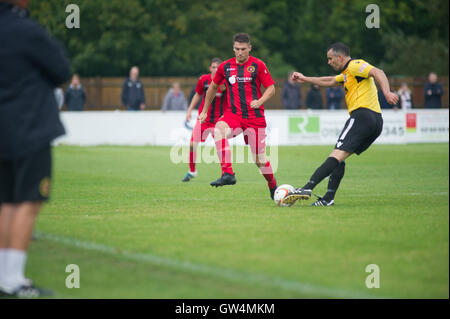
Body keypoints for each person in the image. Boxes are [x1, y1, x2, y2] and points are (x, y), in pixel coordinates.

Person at [0, 0, 71, 297]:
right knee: (27, 202)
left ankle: (4, 275)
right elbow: (62, 71)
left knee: (5, 202)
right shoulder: (27, 30)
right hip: (29, 129)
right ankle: (13, 279)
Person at [284, 42, 398, 206]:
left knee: (336, 155)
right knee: (340, 158)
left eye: (330, 59)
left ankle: (307, 188)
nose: (329, 62)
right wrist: (305, 78)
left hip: (362, 115)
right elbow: (330, 80)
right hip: (375, 121)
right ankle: (328, 199)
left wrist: (386, 92)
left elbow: (377, 71)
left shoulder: (354, 65)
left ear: (340, 57)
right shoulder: (347, 74)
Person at [198, 33, 278, 199]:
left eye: (243, 49)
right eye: (236, 49)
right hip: (233, 115)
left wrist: (260, 100)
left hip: (254, 117)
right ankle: (228, 173)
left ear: (249, 48)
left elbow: (271, 88)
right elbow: (212, 88)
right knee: (218, 130)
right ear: (233, 48)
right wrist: (205, 110)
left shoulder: (258, 65)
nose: (239, 52)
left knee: (260, 161)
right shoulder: (225, 67)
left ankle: (272, 185)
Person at [181, 58, 228, 182]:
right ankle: (192, 171)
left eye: (218, 67)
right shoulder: (204, 80)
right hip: (204, 119)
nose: (215, 69)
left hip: (218, 121)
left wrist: (227, 115)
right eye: (213, 67)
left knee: (221, 149)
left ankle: (226, 173)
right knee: (192, 145)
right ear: (210, 68)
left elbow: (229, 100)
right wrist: (190, 110)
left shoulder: (225, 82)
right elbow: (197, 94)